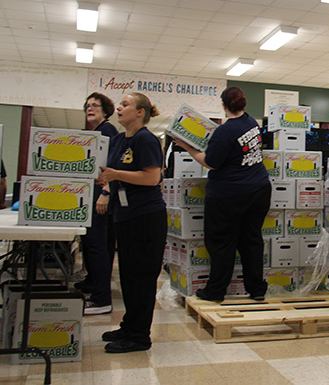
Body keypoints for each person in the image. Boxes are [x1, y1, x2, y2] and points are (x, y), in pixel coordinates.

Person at [173, 87, 271, 302]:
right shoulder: (252, 123)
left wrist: (187, 147)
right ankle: (257, 290)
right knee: (251, 240)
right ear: (243, 104)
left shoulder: (225, 131)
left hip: (229, 194)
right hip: (259, 189)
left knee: (221, 243)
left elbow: (211, 163)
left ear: (223, 105)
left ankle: (216, 291)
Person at [97, 92, 166, 353]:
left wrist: (115, 175)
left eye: (126, 104)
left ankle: (139, 336)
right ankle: (129, 325)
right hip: (124, 215)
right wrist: (105, 183)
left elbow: (151, 178)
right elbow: (110, 174)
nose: (119, 108)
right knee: (127, 275)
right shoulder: (117, 140)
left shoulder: (145, 139)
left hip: (145, 217)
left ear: (140, 112)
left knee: (141, 277)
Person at [80, 92, 118, 315]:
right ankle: (92, 282)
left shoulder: (107, 131)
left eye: (95, 105)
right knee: (91, 243)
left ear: (105, 110)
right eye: (87, 106)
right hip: (93, 195)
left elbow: (110, 166)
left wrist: (105, 191)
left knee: (98, 246)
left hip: (101, 196)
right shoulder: (97, 132)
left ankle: (101, 297)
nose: (90, 108)